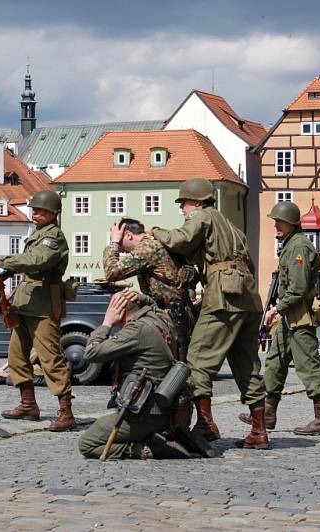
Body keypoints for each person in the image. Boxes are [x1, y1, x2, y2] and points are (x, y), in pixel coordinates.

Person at [150, 177, 269, 449]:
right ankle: (259, 431)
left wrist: (154, 231)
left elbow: (180, 240)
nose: (182, 210)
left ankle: (206, 424)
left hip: (223, 297)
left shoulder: (202, 216)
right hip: (248, 298)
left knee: (197, 359)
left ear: (197, 201)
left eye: (184, 204)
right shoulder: (231, 225)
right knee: (247, 364)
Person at [0, 189, 75, 432]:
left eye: (41, 210)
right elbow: (27, 260)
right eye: (34, 209)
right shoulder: (38, 234)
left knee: (50, 358)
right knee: (16, 356)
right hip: (25, 303)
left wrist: (0, 261)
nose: (35, 213)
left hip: (43, 305)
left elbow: (37, 261)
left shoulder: (53, 237)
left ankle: (66, 412)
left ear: (53, 213)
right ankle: (28, 404)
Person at [78, 291, 209, 460]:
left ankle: (144, 448)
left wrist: (107, 322)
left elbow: (91, 353)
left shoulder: (136, 329)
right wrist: (141, 297)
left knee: (87, 443)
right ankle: (168, 436)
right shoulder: (161, 318)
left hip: (145, 415)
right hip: (169, 411)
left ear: (120, 312)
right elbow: (154, 305)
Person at [240, 200, 320, 436]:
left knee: (308, 365)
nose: (276, 227)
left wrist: (277, 308)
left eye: (279, 222)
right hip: (289, 314)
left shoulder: (298, 247)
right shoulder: (291, 245)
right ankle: (268, 414)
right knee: (275, 362)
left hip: (299, 314)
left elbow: (299, 287)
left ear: (291, 223)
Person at [103, 218, 196, 361]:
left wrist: (113, 243)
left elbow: (112, 272)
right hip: (176, 314)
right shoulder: (154, 244)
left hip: (169, 317)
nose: (120, 248)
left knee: (172, 369)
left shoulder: (147, 248)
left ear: (128, 235)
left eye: (120, 240)